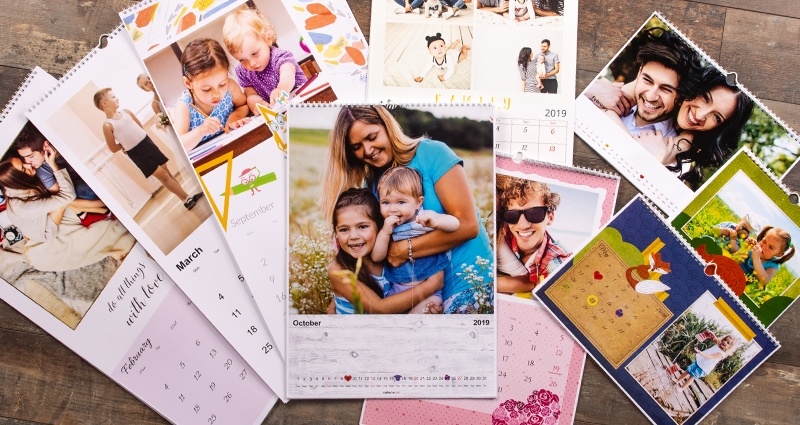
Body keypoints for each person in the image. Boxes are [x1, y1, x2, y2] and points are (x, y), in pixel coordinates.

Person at [321, 106, 494, 314]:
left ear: (387, 126)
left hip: (467, 282)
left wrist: (403, 250)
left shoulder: (433, 154)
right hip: (416, 296)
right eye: (357, 146)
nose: (367, 150)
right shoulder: (372, 185)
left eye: (372, 137)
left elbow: (468, 226)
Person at [0, 154, 135, 272]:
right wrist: (53, 165)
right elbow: (67, 196)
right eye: (23, 168)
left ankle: (103, 208)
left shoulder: (13, 187)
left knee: (66, 200)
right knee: (66, 201)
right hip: (48, 231)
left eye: (23, 161)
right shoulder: (22, 206)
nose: (28, 164)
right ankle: (104, 207)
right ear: (16, 178)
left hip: (40, 219)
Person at [328, 188, 444, 314]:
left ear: (379, 226)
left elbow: (399, 302)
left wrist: (426, 307)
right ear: (336, 234)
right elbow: (378, 308)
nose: (353, 236)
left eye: (362, 227)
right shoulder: (339, 270)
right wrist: (431, 286)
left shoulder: (390, 257)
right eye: (344, 229)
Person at [94, 88, 204, 210]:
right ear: (104, 103)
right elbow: (113, 148)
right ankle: (187, 198)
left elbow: (139, 127)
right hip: (136, 153)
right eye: (113, 97)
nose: (117, 98)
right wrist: (125, 145)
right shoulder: (108, 125)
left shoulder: (126, 112)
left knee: (166, 172)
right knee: (163, 176)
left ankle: (185, 198)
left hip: (147, 143)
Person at [372, 166, 459, 314]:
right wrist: (385, 232)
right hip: (397, 289)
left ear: (418, 202)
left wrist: (437, 222)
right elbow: (377, 256)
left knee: (413, 321)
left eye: (400, 202)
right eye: (386, 203)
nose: (392, 209)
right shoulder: (386, 227)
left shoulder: (425, 217)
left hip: (430, 291)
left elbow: (455, 224)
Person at [583, 28, 699, 136]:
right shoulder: (603, 96)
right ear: (639, 73)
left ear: (681, 97)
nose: (650, 96)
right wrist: (589, 88)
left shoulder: (670, 147)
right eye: (647, 80)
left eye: (666, 89)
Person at [14, 121, 110, 227]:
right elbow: (65, 198)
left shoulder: (64, 143)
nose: (27, 162)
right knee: (82, 190)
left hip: (93, 172)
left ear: (45, 146)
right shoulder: (41, 170)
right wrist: (53, 165)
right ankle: (99, 210)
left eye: (30, 156)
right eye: (24, 158)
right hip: (79, 189)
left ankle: (86, 213)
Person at [172, 38, 252, 152]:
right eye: (206, 89)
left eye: (222, 84)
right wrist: (200, 131)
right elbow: (179, 146)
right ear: (188, 83)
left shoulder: (230, 87)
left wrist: (235, 117)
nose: (216, 94)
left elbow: (244, 105)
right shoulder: (184, 106)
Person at [222, 8, 307, 114]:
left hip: (303, 102)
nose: (251, 63)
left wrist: (282, 88)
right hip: (280, 113)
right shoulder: (243, 71)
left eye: (254, 53)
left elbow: (288, 73)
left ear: (268, 38)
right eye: (242, 60)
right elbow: (251, 94)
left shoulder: (279, 56)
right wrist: (257, 104)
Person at [496, 175, 570, 295]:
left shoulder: (557, 267)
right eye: (512, 215)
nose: (523, 225)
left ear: (550, 217)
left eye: (534, 214)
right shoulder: (501, 233)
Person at [735, 226, 794, 290]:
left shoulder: (773, 265)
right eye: (764, 241)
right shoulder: (753, 248)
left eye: (771, 247)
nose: (764, 247)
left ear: (779, 254)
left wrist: (756, 259)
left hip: (741, 286)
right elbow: (734, 260)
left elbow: (765, 281)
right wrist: (745, 248)